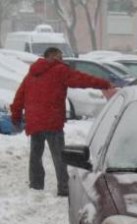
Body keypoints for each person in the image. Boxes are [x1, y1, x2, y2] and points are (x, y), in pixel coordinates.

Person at [10, 47, 113, 196]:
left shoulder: (32, 74)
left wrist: (16, 116)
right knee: (59, 156)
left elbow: (19, 96)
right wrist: (104, 83)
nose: (62, 59)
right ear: (51, 56)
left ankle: (36, 185)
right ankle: (64, 188)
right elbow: (82, 79)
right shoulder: (59, 70)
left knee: (35, 156)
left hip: (35, 121)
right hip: (52, 121)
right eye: (59, 56)